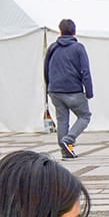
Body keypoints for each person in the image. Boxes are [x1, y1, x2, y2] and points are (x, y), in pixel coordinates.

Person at [44, 19, 93, 160]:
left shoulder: (53, 47)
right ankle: (68, 140)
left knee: (62, 121)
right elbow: (85, 71)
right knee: (84, 116)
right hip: (73, 89)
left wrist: (49, 87)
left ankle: (65, 151)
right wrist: (89, 91)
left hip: (55, 90)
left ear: (60, 31)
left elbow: (46, 69)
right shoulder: (78, 48)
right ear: (74, 31)